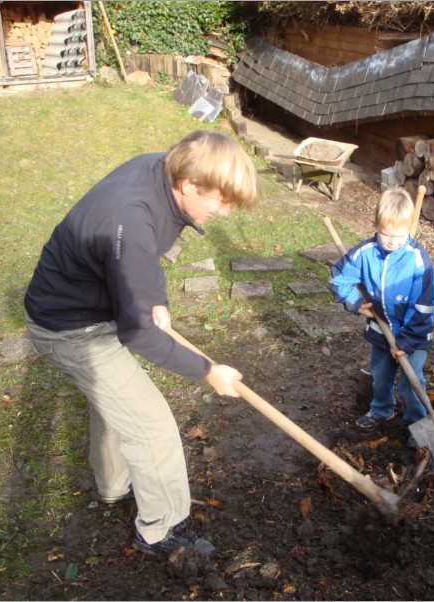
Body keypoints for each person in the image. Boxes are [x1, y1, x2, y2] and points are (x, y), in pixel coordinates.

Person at [24, 130, 261, 558]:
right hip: (71, 329)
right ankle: (161, 530)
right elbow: (137, 332)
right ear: (190, 184)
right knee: (152, 426)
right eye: (220, 201)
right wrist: (207, 371)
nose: (224, 211)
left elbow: (144, 255)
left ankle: (115, 487)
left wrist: (155, 299)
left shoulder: (160, 167)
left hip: (81, 306)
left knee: (118, 405)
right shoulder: (130, 218)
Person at [329, 188, 434, 440]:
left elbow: (423, 307)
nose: (391, 241)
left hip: (414, 334)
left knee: (411, 384)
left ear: (411, 228)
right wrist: (356, 303)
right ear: (374, 225)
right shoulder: (365, 253)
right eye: (385, 233)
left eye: (399, 236)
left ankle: (418, 422)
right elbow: (338, 279)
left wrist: (407, 342)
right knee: (380, 376)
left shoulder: (419, 262)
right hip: (381, 329)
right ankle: (381, 410)